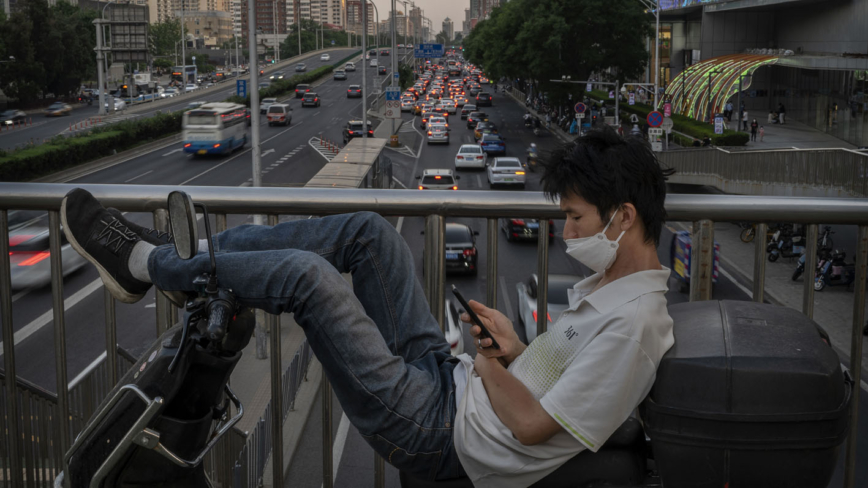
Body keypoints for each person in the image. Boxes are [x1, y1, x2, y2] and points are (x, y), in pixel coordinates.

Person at [59, 129, 676, 487]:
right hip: (450, 386)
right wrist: (514, 349)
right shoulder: (611, 296)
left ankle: (148, 264)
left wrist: (486, 361)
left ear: (622, 217)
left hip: (440, 431)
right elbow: (555, 394)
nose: (566, 234)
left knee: (309, 278)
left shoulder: (635, 325)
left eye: (575, 218)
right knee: (369, 232)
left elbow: (534, 428)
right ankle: (187, 259)